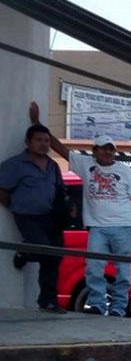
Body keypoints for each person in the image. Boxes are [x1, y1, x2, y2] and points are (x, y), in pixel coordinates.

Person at [68, 136, 131, 316]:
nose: (107, 152)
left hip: (124, 226)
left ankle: (119, 308)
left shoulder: (125, 171)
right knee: (94, 266)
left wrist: (121, 211)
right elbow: (64, 152)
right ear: (94, 151)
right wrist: (38, 123)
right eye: (103, 148)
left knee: (123, 270)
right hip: (97, 227)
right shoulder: (85, 164)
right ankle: (97, 304)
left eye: (111, 149)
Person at [0, 124, 68, 313]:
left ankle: (48, 301)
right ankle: (25, 252)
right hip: (27, 216)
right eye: (39, 140)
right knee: (43, 249)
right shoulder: (16, 164)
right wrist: (14, 206)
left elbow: (60, 189)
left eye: (46, 141)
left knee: (54, 257)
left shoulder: (53, 166)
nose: (43, 144)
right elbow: (2, 189)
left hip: (51, 218)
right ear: (28, 142)